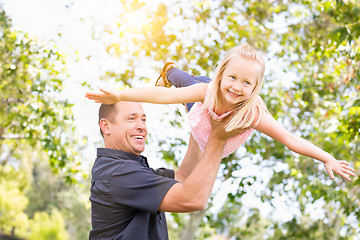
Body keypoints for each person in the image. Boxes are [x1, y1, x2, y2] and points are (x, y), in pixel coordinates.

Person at [85, 43, 355, 181]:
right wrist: (120, 95)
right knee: (187, 83)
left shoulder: (253, 114)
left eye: (247, 83)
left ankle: (186, 76)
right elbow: (165, 96)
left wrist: (326, 157)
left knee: (187, 173)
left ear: (256, 87)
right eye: (233, 78)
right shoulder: (209, 91)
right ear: (222, 75)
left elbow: (291, 139)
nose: (237, 88)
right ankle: (170, 70)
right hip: (202, 112)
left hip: (214, 133)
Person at [89, 101, 241, 239]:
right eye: (131, 119)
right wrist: (218, 138)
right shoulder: (119, 173)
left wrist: (199, 118)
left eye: (143, 119)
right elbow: (192, 199)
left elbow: (184, 177)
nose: (141, 126)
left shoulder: (130, 169)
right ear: (106, 126)